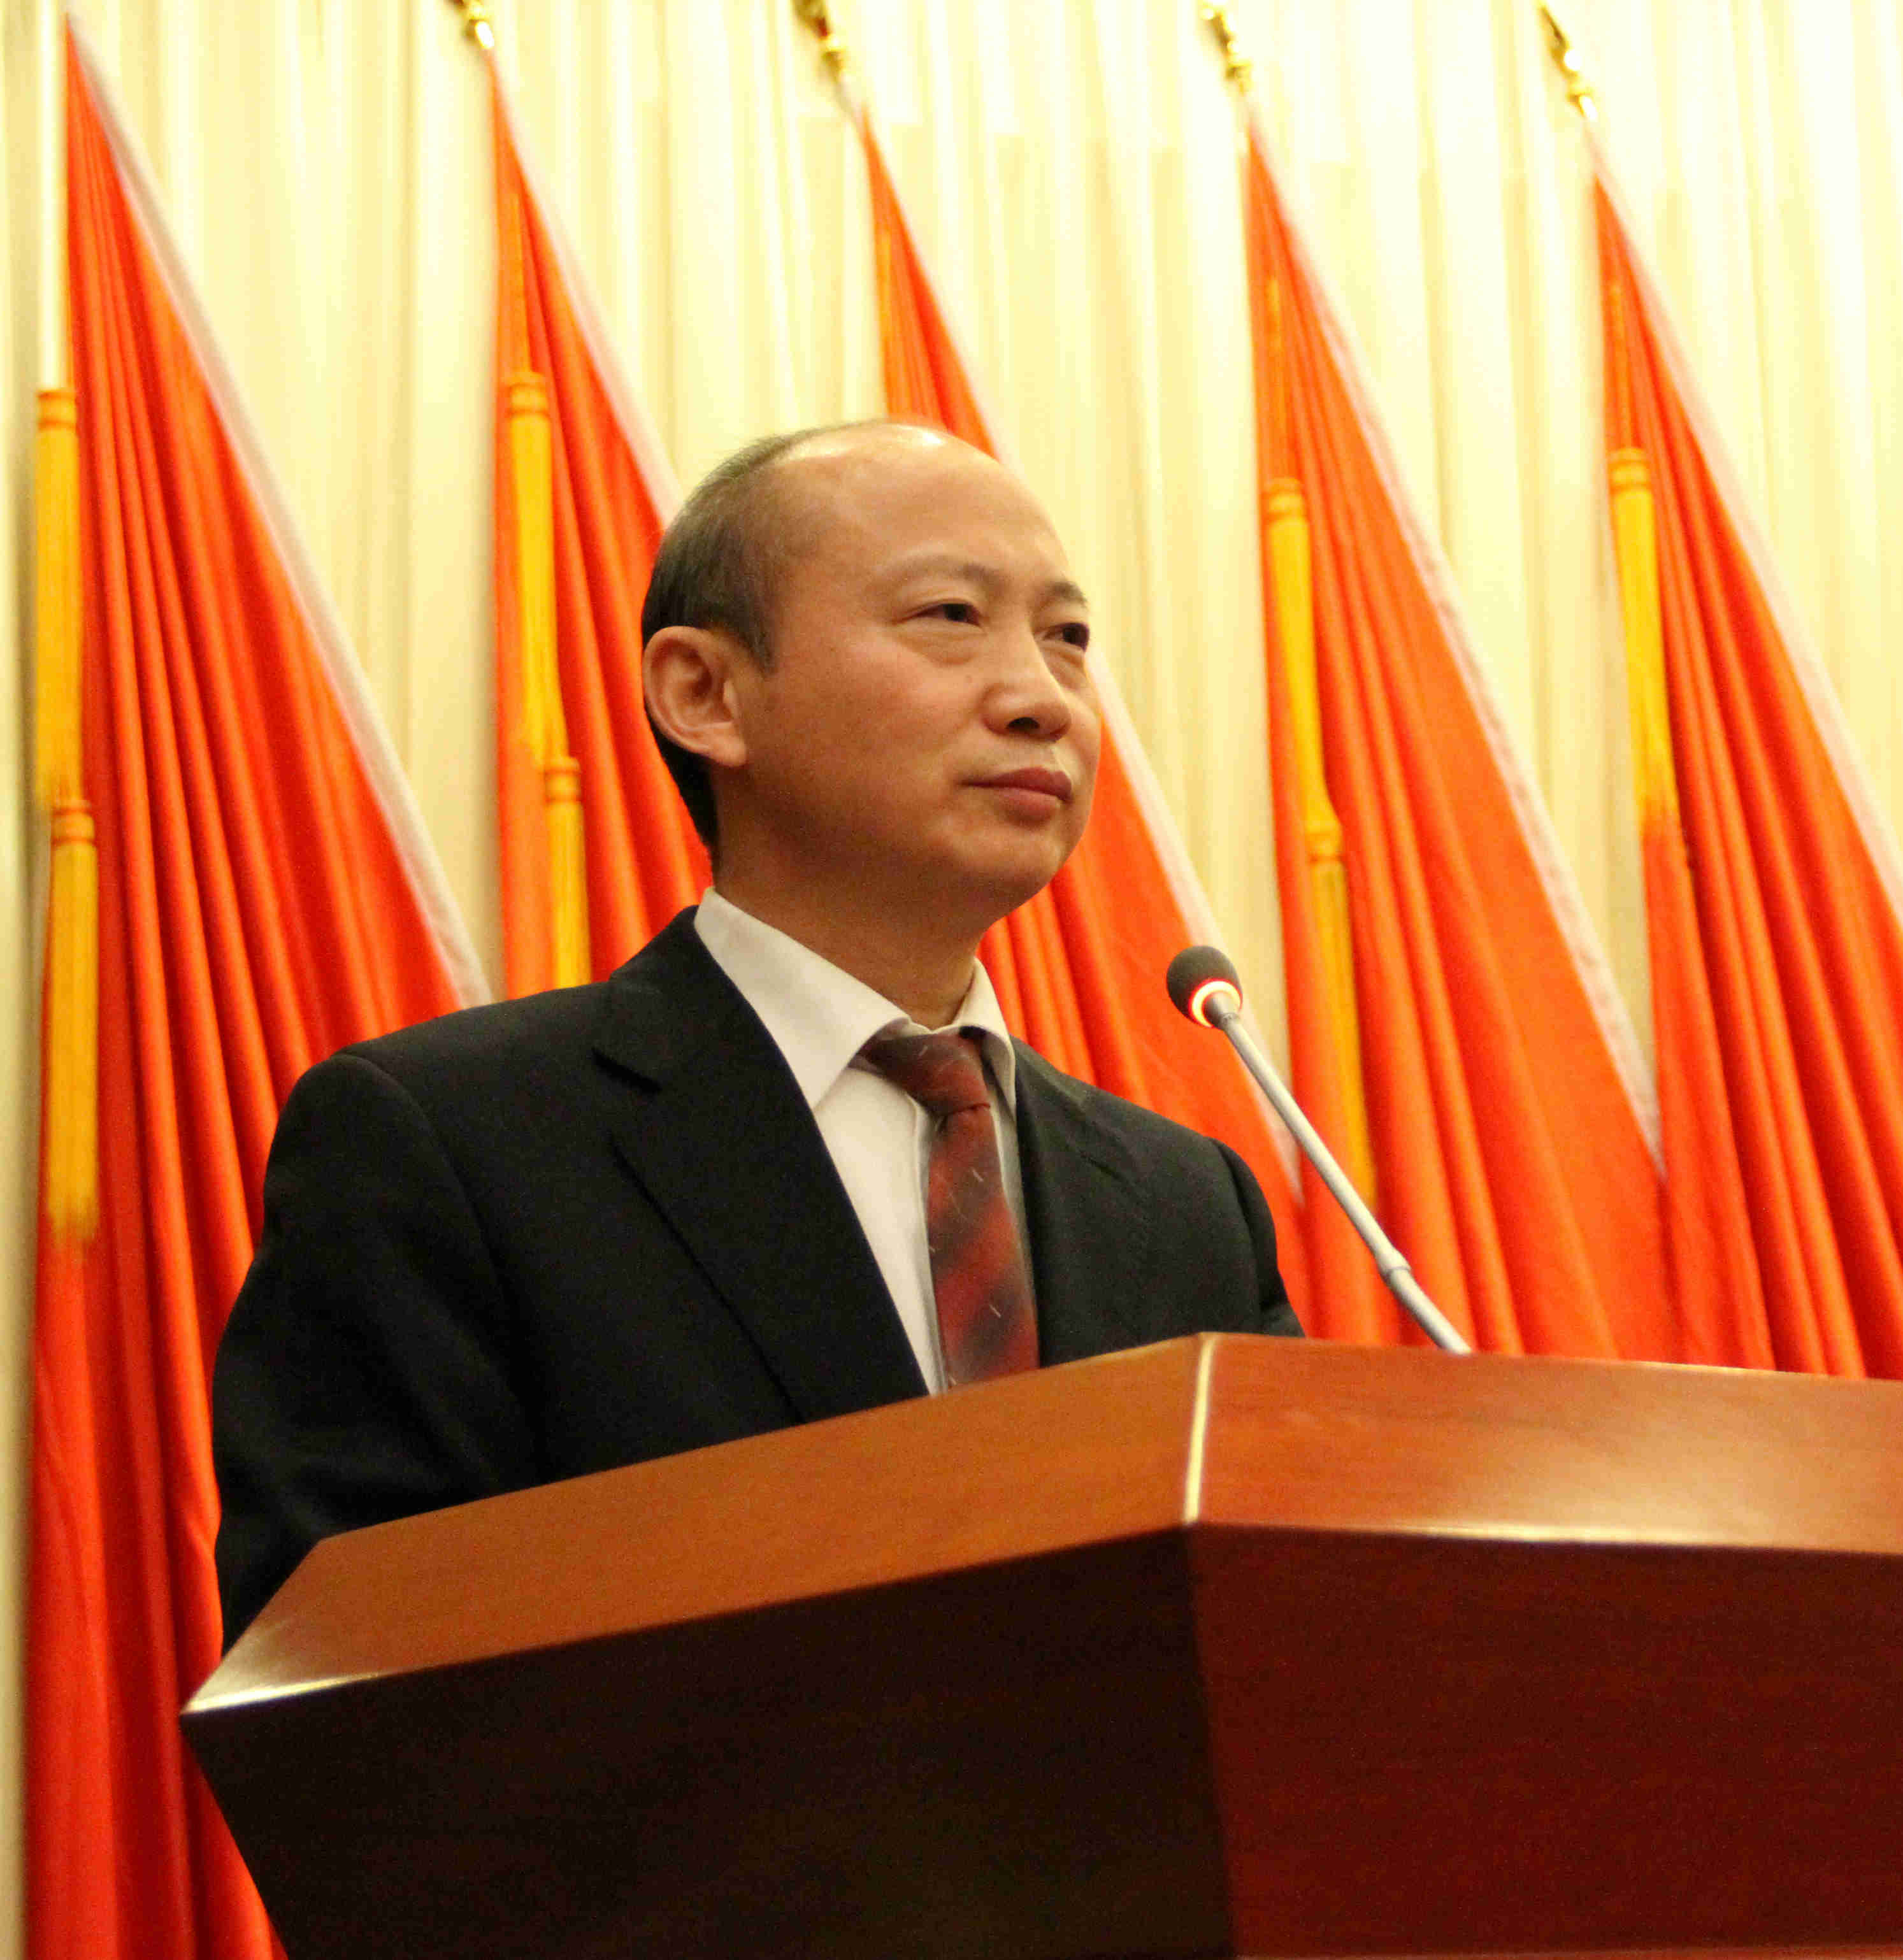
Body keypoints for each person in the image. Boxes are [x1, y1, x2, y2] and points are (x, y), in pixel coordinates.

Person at [211, 422, 1300, 1645]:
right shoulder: (451, 1150)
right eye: (951, 615)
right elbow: (351, 1678)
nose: (1041, 698)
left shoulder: (1186, 1202)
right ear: (706, 693)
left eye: (1069, 638)